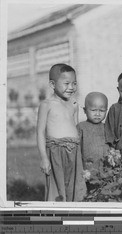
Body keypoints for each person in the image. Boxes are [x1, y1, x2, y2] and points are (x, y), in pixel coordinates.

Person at [37, 63, 86, 201]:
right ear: (52, 84)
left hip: (74, 150)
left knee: (75, 188)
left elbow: (76, 128)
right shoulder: (47, 104)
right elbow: (40, 132)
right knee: (57, 191)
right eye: (66, 83)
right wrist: (44, 158)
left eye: (74, 83)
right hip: (56, 151)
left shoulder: (74, 104)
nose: (71, 87)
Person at [77, 92, 109, 192]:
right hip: (87, 170)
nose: (97, 114)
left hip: (103, 170)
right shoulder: (81, 127)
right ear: (85, 110)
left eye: (102, 110)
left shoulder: (106, 128)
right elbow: (77, 149)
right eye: (93, 110)